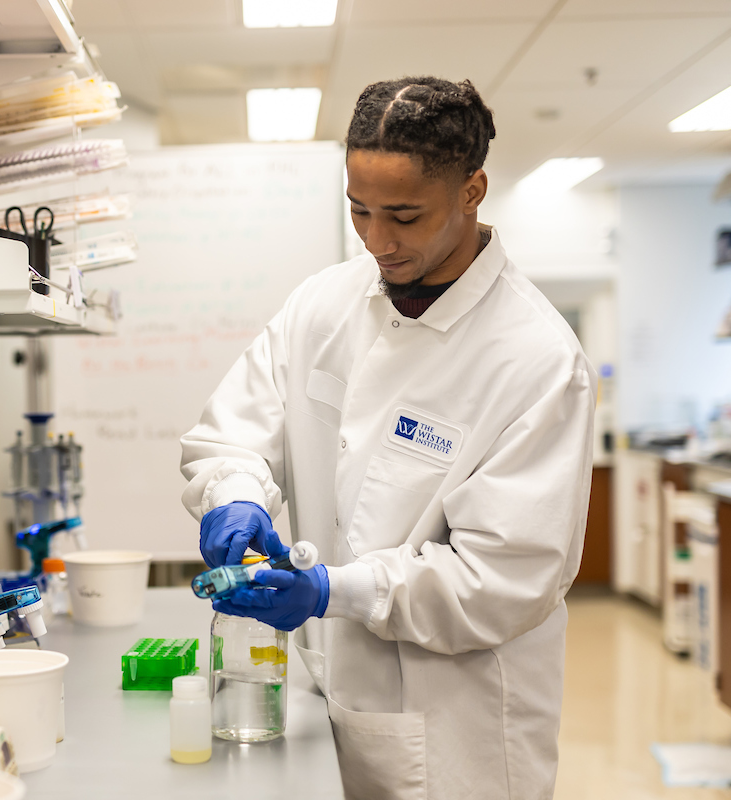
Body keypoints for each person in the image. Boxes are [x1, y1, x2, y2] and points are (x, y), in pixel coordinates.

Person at [180, 76, 596, 799]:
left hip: (457, 727)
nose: (376, 240)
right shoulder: (325, 302)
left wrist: (329, 591)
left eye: (403, 215)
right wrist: (234, 496)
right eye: (358, 210)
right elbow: (235, 432)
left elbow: (502, 580)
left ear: (472, 191)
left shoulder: (536, 358)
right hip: (326, 689)